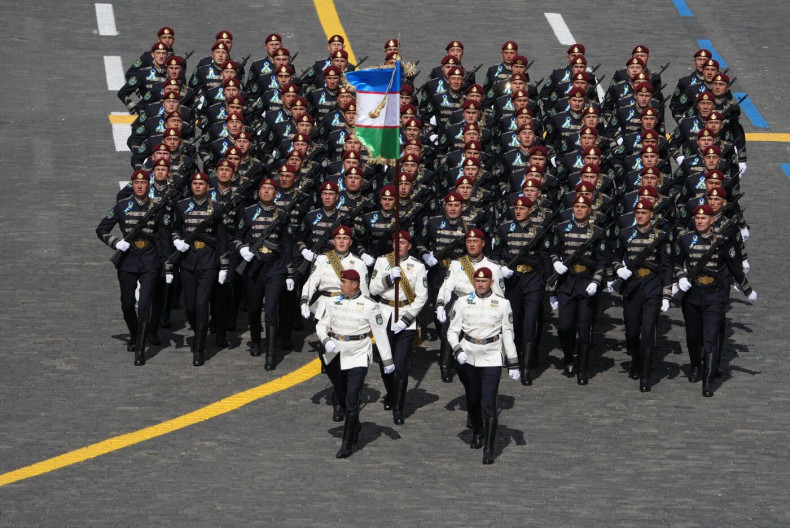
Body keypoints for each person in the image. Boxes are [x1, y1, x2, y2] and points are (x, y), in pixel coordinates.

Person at [675, 204, 756, 397]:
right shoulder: (685, 239)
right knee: (693, 335)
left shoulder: (723, 242)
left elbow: (734, 266)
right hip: (692, 294)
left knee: (710, 335)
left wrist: (747, 290)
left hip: (715, 294)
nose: (700, 221)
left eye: (704, 218)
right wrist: (680, 277)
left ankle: (707, 381)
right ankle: (695, 365)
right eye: (697, 218)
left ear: (712, 220)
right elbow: (676, 262)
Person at [316, 269, 393, 458]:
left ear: (355, 284)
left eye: (343, 282)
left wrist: (387, 360)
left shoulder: (369, 306)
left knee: (352, 400)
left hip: (357, 356)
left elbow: (380, 333)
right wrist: (326, 340)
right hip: (334, 356)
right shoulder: (333, 302)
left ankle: (347, 444)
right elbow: (321, 325)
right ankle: (355, 424)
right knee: (341, 397)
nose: (340, 285)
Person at [96, 170, 171, 366]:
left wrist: (168, 264)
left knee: (145, 304)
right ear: (132, 184)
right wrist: (115, 243)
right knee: (127, 304)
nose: (139, 186)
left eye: (143, 182)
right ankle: (135, 333)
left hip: (150, 260)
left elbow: (163, 237)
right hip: (128, 260)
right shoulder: (122, 206)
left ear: (149, 185)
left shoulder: (157, 207)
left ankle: (140, 350)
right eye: (136, 182)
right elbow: (101, 229)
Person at [446, 267, 519, 464]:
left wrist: (513, 363)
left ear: (491, 283)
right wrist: (457, 350)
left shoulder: (503, 305)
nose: (480, 284)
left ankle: (489, 447)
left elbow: (508, 334)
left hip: (492, 357)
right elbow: (452, 332)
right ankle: (478, 431)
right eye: (477, 281)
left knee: (489, 403)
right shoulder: (462, 302)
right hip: (468, 355)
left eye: (484, 281)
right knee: (472, 401)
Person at [612, 199, 673, 392]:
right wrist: (619, 269)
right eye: (637, 212)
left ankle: (645, 377)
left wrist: (666, 294)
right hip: (631, 288)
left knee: (647, 331)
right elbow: (614, 257)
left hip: (652, 288)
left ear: (651, 215)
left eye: (644, 212)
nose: (640, 216)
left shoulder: (661, 236)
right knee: (631, 332)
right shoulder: (625, 234)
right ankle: (636, 360)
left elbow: (666, 266)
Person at [369, 231, 428, 425]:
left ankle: (398, 407)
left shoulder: (418, 267)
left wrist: (407, 318)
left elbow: (422, 297)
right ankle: (391, 394)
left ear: (409, 246)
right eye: (395, 242)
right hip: (384, 314)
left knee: (401, 366)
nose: (398, 245)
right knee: (385, 363)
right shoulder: (381, 261)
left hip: (405, 317)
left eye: (402, 242)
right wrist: (387, 278)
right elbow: (373, 289)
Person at [234, 177, 293, 370]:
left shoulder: (282, 214)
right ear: (258, 192)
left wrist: (289, 271)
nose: (267, 192)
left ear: (276, 193)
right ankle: (256, 340)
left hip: (275, 267)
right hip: (254, 267)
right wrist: (242, 248)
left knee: (271, 309)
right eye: (264, 189)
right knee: (253, 307)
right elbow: (238, 236)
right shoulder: (249, 212)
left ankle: (270, 353)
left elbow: (286, 243)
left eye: (271, 189)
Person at [171, 172, 229, 367]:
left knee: (203, 304)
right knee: (190, 306)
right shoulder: (181, 205)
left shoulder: (217, 208)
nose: (197, 186)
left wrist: (223, 265)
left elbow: (222, 238)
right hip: (188, 260)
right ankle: (199, 331)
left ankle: (199, 348)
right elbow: (175, 228)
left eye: (201, 183)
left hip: (209, 260)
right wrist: (177, 241)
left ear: (207, 186)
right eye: (194, 183)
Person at [492, 196, 551, 385]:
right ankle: (514, 360)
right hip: (513, 280)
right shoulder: (504, 229)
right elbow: (495, 255)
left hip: (533, 280)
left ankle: (526, 369)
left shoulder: (539, 231)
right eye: (516, 208)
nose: (518, 211)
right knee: (513, 321)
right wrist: (501, 268)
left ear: (530, 211)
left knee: (530, 322)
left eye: (522, 209)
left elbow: (544, 258)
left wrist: (549, 285)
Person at [551, 195, 607, 385]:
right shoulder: (561, 228)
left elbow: (601, 260)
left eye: (583, 207)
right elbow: (553, 251)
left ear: (589, 210)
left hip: (586, 283)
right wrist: (556, 262)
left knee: (584, 327)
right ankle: (568, 356)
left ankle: (582, 369)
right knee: (565, 326)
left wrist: (596, 281)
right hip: (567, 283)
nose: (580, 209)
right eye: (577, 206)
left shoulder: (597, 231)